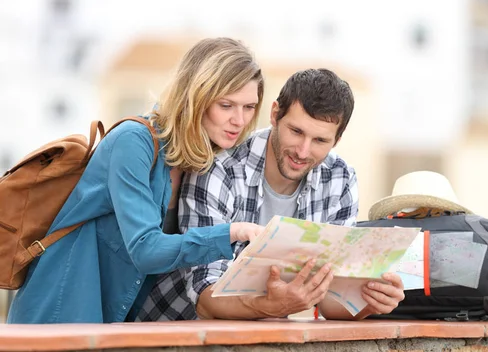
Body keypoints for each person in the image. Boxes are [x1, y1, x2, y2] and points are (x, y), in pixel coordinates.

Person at [8, 37, 265, 324]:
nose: (239, 120)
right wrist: (232, 232)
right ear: (196, 97)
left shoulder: (199, 161)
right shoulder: (134, 142)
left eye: (249, 107)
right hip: (60, 310)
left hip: (115, 322)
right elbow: (146, 250)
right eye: (227, 105)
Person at [137, 68, 405, 321]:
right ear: (275, 114)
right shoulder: (220, 167)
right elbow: (206, 296)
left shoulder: (340, 178)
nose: (302, 151)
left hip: (260, 334)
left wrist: (368, 303)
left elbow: (330, 299)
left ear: (337, 139)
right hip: (174, 330)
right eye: (296, 131)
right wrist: (270, 306)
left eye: (320, 141)